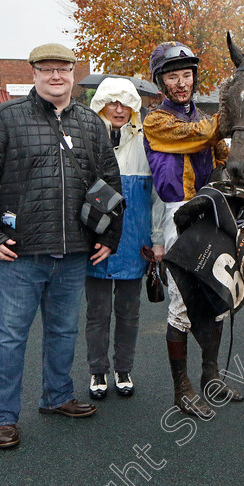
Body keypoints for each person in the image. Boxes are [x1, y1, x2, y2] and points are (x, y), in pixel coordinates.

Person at [0, 43, 123, 449]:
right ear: (34, 73)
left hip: (74, 252)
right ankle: (2, 418)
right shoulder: (4, 117)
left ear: (73, 73)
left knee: (63, 331)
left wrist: (109, 236)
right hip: (20, 252)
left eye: (63, 68)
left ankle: (57, 397)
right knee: (8, 337)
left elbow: (110, 182)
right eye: (47, 69)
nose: (56, 76)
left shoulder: (91, 122)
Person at [142, 41, 238, 420]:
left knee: (216, 298)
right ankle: (182, 390)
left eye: (186, 74)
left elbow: (222, 159)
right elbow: (199, 136)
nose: (181, 82)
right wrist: (231, 112)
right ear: (161, 82)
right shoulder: (156, 120)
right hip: (178, 215)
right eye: (172, 76)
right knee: (182, 306)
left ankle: (211, 379)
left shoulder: (203, 116)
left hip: (211, 210)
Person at [85, 78, 165, 400]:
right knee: (97, 312)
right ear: (100, 104)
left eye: (125, 103)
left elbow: (157, 196)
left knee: (130, 312)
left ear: (134, 107)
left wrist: (158, 238)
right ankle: (97, 373)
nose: (119, 109)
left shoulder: (148, 142)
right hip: (96, 241)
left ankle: (123, 370)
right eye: (112, 102)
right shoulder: (88, 141)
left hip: (135, 241)